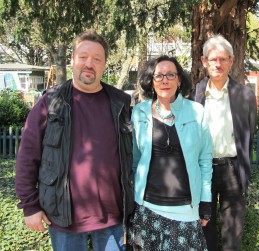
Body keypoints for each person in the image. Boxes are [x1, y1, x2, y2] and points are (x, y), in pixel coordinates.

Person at [15, 30, 134, 251]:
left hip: (112, 219)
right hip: (63, 218)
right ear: (72, 60)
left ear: (104, 63)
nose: (89, 64)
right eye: (83, 57)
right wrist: (30, 206)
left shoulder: (121, 104)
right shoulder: (50, 103)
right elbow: (27, 157)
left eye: (97, 59)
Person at [127, 55, 213, 250]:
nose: (164, 80)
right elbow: (134, 160)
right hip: (147, 208)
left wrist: (205, 201)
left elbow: (205, 160)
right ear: (152, 81)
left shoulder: (197, 112)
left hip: (186, 211)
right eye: (159, 76)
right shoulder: (139, 112)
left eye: (171, 75)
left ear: (179, 80)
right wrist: (131, 199)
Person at [191, 34, 257, 251]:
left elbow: (249, 134)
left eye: (222, 59)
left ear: (231, 61)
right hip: (203, 172)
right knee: (203, 230)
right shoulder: (194, 96)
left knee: (232, 234)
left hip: (232, 170)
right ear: (204, 62)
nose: (217, 64)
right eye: (212, 59)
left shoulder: (245, 95)